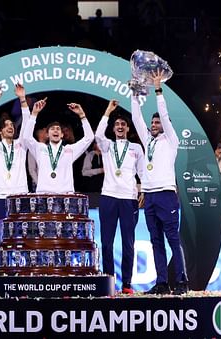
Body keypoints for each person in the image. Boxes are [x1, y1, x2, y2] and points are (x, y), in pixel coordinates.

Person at [131, 69, 188, 295]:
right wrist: (134, 94)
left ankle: (182, 282)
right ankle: (162, 283)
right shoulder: (149, 140)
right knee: (156, 241)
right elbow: (136, 118)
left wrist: (158, 90)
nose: (154, 124)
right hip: (150, 195)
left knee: (173, 238)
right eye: (152, 122)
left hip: (166, 194)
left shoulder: (171, 140)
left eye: (157, 122)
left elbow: (164, 115)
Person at [95, 99, 144, 294]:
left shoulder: (136, 148)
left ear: (128, 128)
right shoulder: (107, 146)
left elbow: (142, 172)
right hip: (108, 196)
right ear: (113, 129)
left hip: (129, 199)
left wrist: (143, 191)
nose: (120, 127)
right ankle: (109, 282)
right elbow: (98, 134)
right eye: (117, 125)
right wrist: (107, 111)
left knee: (128, 244)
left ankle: (126, 284)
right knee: (106, 243)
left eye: (123, 124)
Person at [0, 83, 30, 244]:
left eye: (12, 125)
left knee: (22, 240)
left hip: (21, 198)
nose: (10, 127)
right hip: (1, 199)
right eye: (6, 125)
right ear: (0, 131)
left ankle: (21, 269)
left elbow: (28, 125)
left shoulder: (21, 145)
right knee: (2, 240)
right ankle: (3, 270)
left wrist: (22, 99)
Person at [23, 99, 94, 193]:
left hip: (65, 195)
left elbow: (89, 137)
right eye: (52, 129)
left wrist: (82, 116)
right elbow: (26, 137)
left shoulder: (69, 150)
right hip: (44, 195)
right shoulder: (40, 148)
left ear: (62, 135)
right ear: (47, 134)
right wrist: (34, 114)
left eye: (58, 129)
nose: (55, 130)